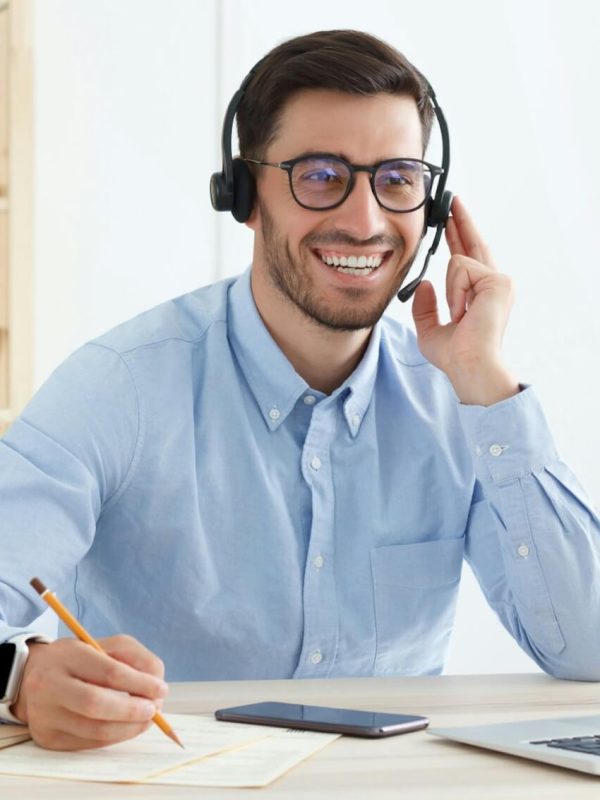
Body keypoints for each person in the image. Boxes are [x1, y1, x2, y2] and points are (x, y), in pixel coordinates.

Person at [1, 29, 599, 752]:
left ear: (433, 207)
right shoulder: (120, 386)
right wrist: (20, 682)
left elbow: (588, 650)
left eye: (398, 179)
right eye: (321, 175)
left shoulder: (460, 401)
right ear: (246, 196)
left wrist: (486, 382)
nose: (365, 220)